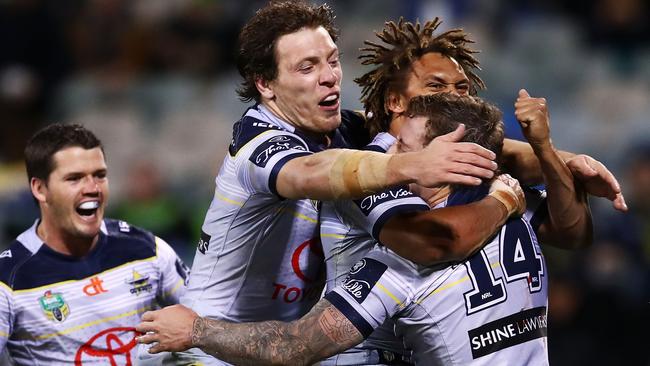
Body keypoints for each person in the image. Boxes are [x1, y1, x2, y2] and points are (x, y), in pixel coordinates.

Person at [137, 91, 593, 365]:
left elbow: (295, 347)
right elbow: (576, 230)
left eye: (407, 147)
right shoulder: (515, 202)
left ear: (455, 159)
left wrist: (197, 330)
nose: (391, 156)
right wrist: (545, 154)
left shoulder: (401, 263)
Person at [172, 2, 502, 364]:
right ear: (266, 84)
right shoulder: (257, 144)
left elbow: (492, 146)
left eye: (331, 60)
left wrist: (558, 157)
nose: (329, 76)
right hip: (205, 350)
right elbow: (309, 172)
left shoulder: (343, 130)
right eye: (307, 67)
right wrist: (411, 165)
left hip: (279, 349)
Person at [0, 123, 189, 365]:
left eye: (100, 175)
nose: (92, 188)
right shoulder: (9, 278)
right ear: (40, 189)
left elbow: (205, 319)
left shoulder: (146, 249)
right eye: (75, 178)